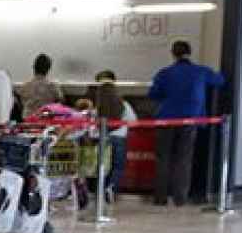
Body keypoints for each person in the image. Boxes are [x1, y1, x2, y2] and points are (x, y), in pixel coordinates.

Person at [147, 39, 225, 206]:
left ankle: (160, 198)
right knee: (183, 159)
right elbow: (219, 80)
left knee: (163, 159)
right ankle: (180, 198)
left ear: (173, 54)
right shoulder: (201, 72)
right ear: (190, 53)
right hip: (190, 120)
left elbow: (153, 94)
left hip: (166, 119)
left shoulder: (164, 73)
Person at [90, 69, 137, 203]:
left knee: (101, 165)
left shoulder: (97, 104)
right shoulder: (122, 102)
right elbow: (132, 120)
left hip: (102, 137)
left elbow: (93, 121)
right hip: (119, 137)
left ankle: (99, 190)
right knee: (118, 166)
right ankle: (110, 188)